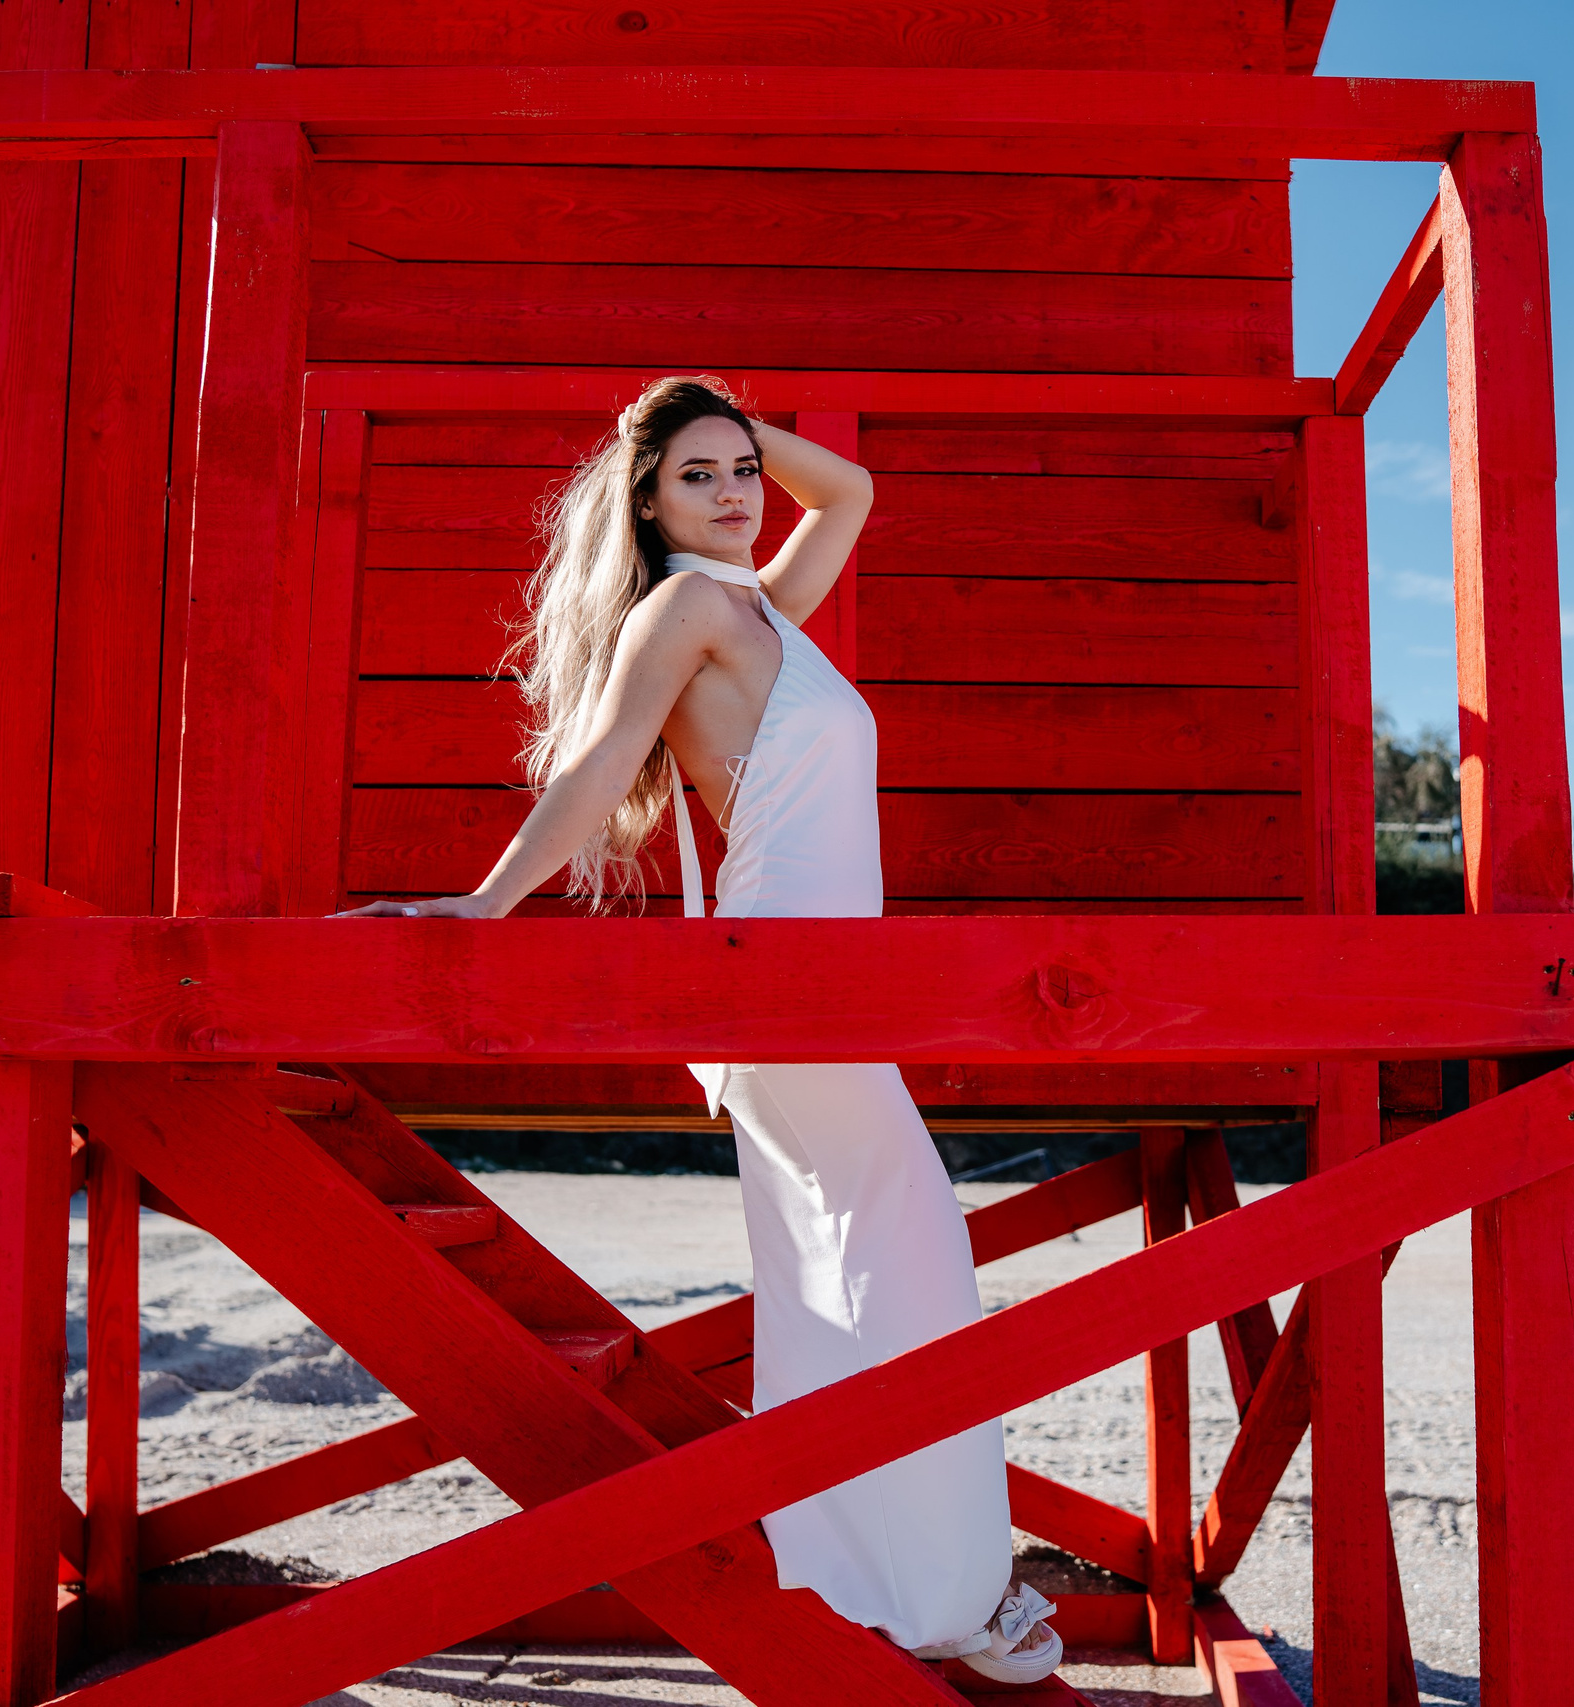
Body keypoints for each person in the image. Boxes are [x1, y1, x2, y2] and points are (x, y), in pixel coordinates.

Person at [335, 375, 1062, 1683]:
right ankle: (943, 1592)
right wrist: (488, 903)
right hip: (779, 975)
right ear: (650, 504)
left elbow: (854, 492)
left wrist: (716, 419)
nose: (737, 492)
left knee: (856, 1272)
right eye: (700, 476)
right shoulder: (685, 609)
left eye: (741, 471)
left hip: (824, 985)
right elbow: (602, 760)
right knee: (907, 1251)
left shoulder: (764, 604)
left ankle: (881, 1576)